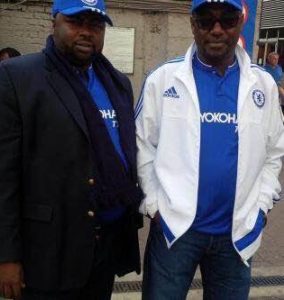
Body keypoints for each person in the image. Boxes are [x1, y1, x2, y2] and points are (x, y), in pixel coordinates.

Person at [135, 0, 284, 299]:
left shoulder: (263, 84)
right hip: (175, 232)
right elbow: (142, 146)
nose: (217, 29)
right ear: (193, 24)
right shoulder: (162, 80)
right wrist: (154, 206)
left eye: (227, 19)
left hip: (237, 233)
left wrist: (261, 207)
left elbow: (274, 152)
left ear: (240, 23)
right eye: (206, 20)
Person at [0, 0, 143, 299]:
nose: (86, 33)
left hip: (105, 243)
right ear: (54, 23)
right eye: (76, 22)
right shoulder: (18, 77)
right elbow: (4, 177)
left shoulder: (117, 83)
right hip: (48, 250)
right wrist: (7, 256)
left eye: (95, 25)